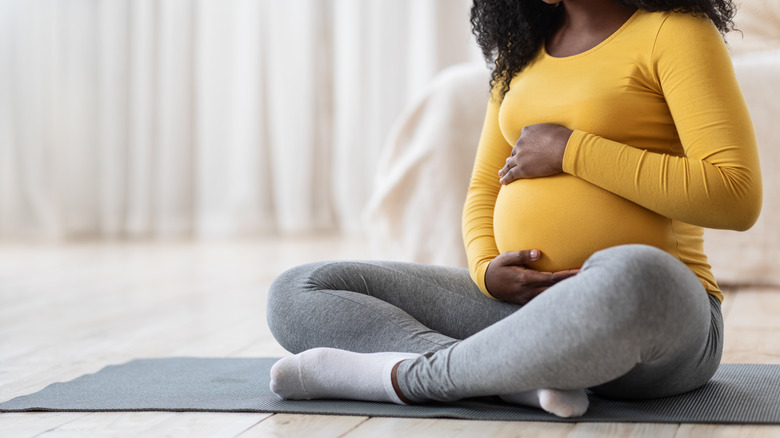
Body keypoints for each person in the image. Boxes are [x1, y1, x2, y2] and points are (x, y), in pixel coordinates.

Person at [265, 0, 762, 418]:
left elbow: (734, 194)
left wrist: (571, 150)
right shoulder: (520, 53)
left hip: (654, 320)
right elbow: (484, 185)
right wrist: (484, 270)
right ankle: (514, 378)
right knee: (300, 290)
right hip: (521, 310)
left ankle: (415, 378)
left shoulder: (674, 33)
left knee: (632, 273)